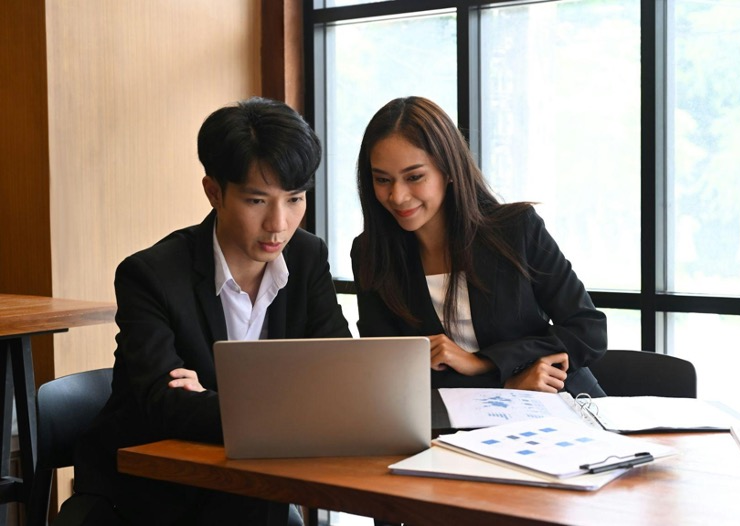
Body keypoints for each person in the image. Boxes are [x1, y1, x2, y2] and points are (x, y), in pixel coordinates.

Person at [71, 97, 351, 525]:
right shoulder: (150, 274)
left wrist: (214, 399)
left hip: (257, 492)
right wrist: (287, 406)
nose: (279, 223)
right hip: (152, 500)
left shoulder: (307, 256)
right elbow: (162, 405)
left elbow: (338, 373)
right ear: (214, 192)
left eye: (294, 199)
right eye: (258, 201)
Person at [351, 96, 606, 397]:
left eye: (414, 177)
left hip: (559, 406)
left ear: (447, 170)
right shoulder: (372, 254)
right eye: (383, 180)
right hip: (451, 426)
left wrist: (484, 362)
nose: (398, 196)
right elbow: (388, 372)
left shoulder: (516, 229)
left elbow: (587, 331)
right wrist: (504, 386)